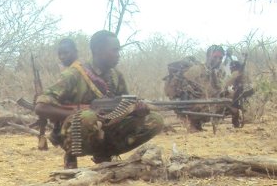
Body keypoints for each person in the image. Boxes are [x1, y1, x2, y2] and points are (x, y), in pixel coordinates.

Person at [34, 30, 164, 169]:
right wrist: (79, 115)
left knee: (154, 121)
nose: (118, 55)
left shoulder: (116, 76)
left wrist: (137, 112)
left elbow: (123, 108)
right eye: (114, 50)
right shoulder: (74, 74)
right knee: (87, 117)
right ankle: (71, 158)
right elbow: (41, 107)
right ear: (98, 50)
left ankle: (105, 155)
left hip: (107, 130)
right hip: (77, 132)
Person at [164, 44, 227, 131]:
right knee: (223, 104)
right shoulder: (198, 69)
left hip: (196, 104)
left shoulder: (211, 71)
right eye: (215, 57)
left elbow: (218, 91)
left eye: (220, 58)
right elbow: (209, 92)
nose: (218, 61)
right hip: (188, 106)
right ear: (208, 56)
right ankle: (192, 124)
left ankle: (196, 125)